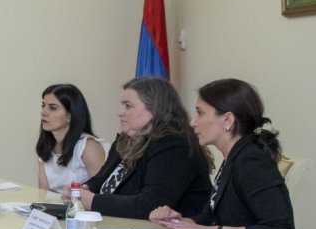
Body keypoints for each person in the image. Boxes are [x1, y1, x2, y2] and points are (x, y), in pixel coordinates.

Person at [150, 79, 305, 229]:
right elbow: (208, 219)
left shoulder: (251, 161)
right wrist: (178, 222)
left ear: (228, 120)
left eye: (200, 113)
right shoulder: (234, 157)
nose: (193, 122)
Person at [70, 76, 211, 219]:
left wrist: (93, 201)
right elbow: (102, 179)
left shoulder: (174, 146)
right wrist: (84, 190)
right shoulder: (125, 140)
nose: (121, 112)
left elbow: (151, 205)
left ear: (154, 110)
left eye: (128, 106)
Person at [35, 83, 106, 193]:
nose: (43, 112)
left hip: (82, 204)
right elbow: (44, 195)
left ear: (70, 115)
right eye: (43, 106)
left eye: (52, 108)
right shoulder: (45, 147)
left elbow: (102, 193)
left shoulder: (88, 146)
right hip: (54, 204)